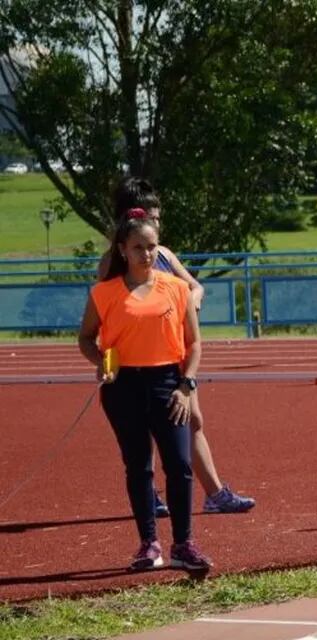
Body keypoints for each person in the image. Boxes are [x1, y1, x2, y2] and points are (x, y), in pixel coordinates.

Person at [100, 178, 255, 515]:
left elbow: (194, 288)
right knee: (146, 432)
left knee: (190, 421)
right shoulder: (112, 266)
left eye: (156, 219)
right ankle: (155, 494)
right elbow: (103, 314)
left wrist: (188, 302)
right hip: (135, 364)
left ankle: (213, 493)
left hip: (174, 356)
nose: (155, 225)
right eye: (150, 218)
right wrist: (107, 358)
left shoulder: (164, 255)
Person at [78, 211, 212, 571]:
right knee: (138, 466)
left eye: (151, 247)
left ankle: (184, 544)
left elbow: (194, 343)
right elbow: (86, 338)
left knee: (180, 465)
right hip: (123, 387)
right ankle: (149, 544)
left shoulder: (177, 289)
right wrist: (102, 362)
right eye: (138, 247)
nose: (146, 254)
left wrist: (187, 384)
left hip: (169, 384)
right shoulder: (104, 293)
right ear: (123, 249)